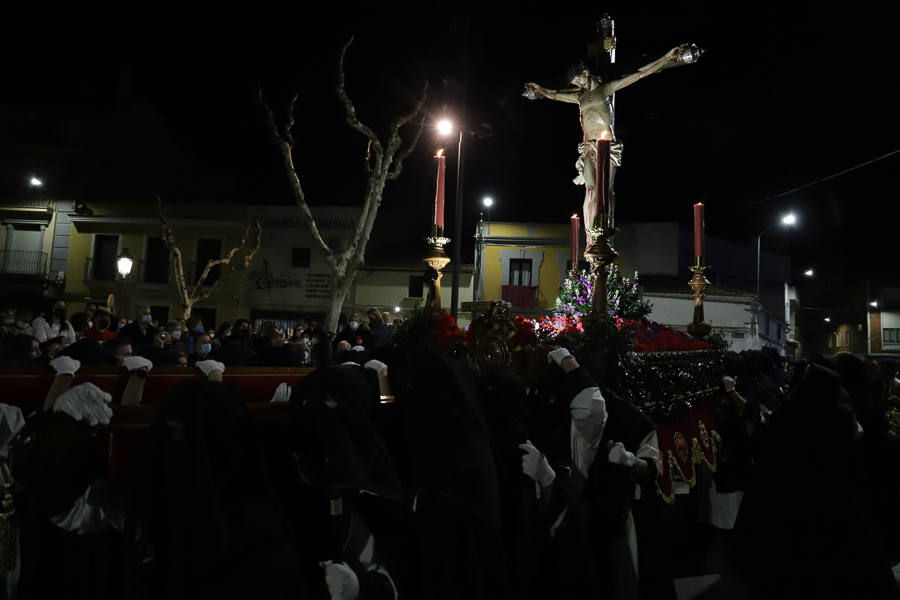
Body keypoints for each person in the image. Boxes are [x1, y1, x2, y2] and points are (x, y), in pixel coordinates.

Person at [524, 44, 700, 242]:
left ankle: (605, 235)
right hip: (589, 146)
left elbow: (640, 73)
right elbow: (555, 94)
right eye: (575, 82)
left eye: (579, 78)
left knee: (605, 191)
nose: (578, 84)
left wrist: (667, 56)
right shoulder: (580, 97)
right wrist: (539, 89)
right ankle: (592, 238)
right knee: (590, 190)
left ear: (586, 72)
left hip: (608, 147)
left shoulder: (605, 88)